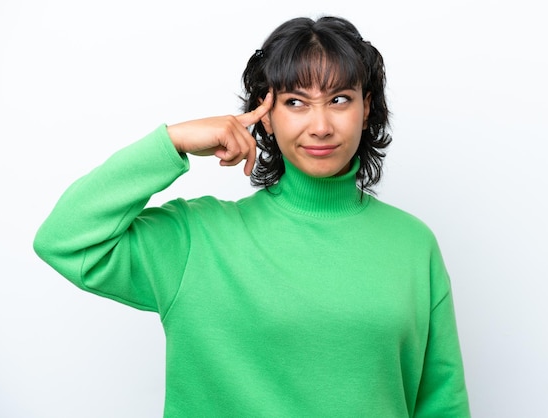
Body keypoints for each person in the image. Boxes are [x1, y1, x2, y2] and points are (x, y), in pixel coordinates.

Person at [34, 15, 471, 417]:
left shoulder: (413, 245)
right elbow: (65, 239)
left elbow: (442, 404)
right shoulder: (198, 239)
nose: (320, 125)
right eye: (296, 102)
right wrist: (173, 141)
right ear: (265, 115)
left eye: (339, 99)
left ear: (367, 107)